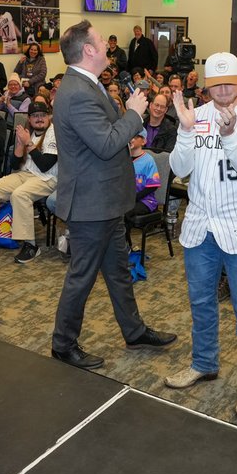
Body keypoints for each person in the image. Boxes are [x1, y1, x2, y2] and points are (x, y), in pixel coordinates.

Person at [50, 20, 176, 370]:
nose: (108, 44)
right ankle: (63, 344)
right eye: (101, 40)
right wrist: (134, 114)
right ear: (88, 50)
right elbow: (107, 144)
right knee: (82, 277)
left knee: (119, 272)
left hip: (106, 200)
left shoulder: (90, 85)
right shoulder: (77, 92)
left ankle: (133, 331)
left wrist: (129, 114)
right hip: (91, 204)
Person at [165, 51, 237, 420]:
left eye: (229, 83)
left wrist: (229, 137)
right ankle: (204, 363)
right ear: (207, 85)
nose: (223, 90)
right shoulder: (196, 115)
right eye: (216, 85)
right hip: (200, 224)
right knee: (200, 301)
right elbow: (179, 168)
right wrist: (184, 130)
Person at [0, 98, 58, 263]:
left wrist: (28, 143)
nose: (39, 118)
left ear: (48, 116)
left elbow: (45, 166)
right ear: (29, 118)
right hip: (24, 174)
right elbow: (15, 165)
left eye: (43, 115)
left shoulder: (54, 133)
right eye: (35, 115)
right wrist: (20, 146)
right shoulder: (27, 132)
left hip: (47, 178)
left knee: (20, 195)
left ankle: (31, 245)